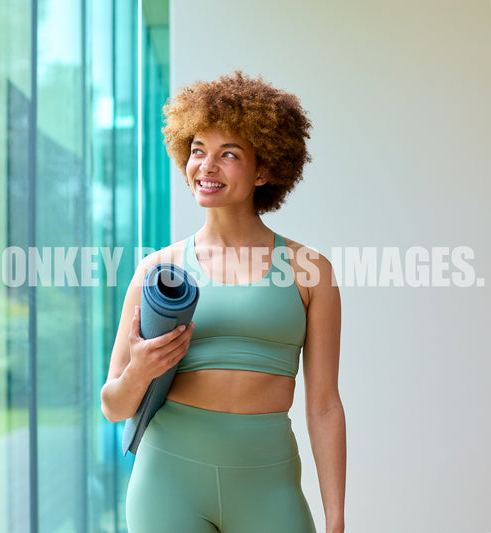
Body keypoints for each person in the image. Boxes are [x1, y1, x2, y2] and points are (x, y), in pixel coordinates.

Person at [101, 71, 346, 533]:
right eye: (198, 151)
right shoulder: (159, 271)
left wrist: (336, 518)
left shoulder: (310, 271)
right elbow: (113, 406)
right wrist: (140, 370)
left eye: (228, 154)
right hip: (168, 482)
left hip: (268, 484)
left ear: (264, 170)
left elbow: (324, 406)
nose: (207, 166)